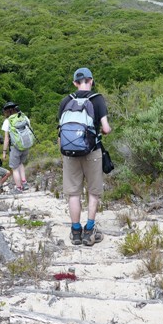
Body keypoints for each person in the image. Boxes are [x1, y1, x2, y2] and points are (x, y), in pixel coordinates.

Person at [58, 67, 111, 247]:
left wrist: (64, 153)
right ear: (91, 80)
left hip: (69, 154)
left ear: (75, 83)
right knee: (93, 191)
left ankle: (75, 232)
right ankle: (89, 232)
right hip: (92, 151)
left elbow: (60, 132)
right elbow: (106, 128)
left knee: (73, 193)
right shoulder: (97, 99)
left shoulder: (66, 100)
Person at [1, 101, 31, 193]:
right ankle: (24, 182)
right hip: (26, 145)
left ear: (6, 111)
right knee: (20, 163)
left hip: (15, 147)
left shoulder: (8, 121)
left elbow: (6, 139)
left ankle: (18, 188)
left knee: (14, 168)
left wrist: (4, 151)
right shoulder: (24, 117)